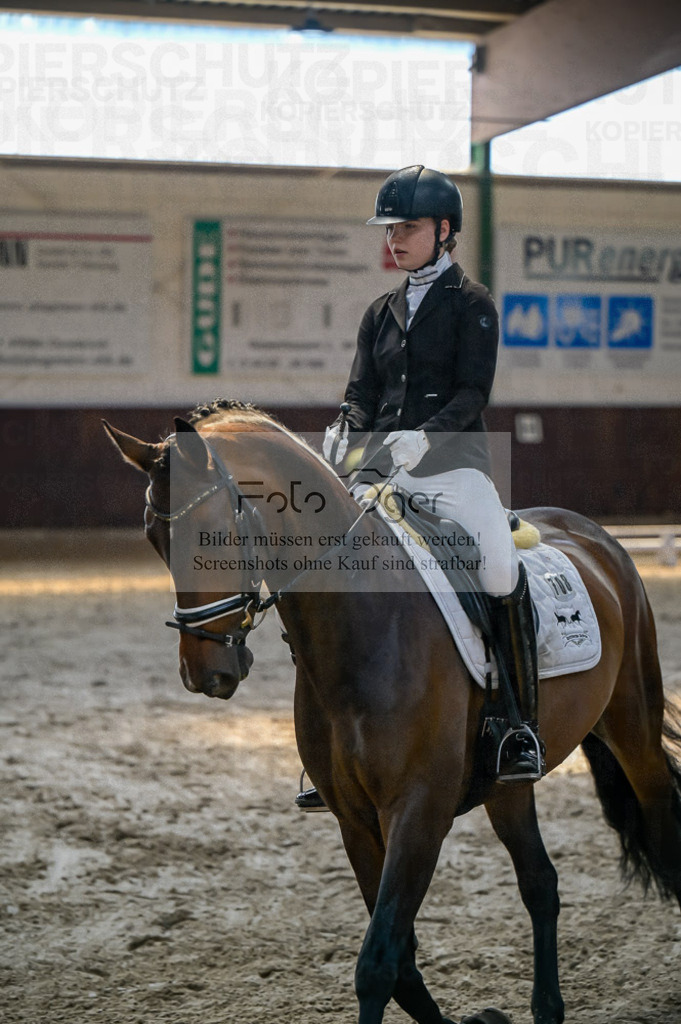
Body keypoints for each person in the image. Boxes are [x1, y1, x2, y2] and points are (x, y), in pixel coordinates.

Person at [296, 165, 544, 810]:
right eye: (389, 229)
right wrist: (345, 430)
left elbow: (473, 393)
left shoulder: (472, 304)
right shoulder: (380, 312)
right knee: (329, 570)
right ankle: (333, 741)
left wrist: (425, 437)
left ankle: (515, 724)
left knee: (495, 567)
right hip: (379, 472)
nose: (395, 240)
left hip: (454, 469)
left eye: (407, 228)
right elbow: (361, 393)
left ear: (444, 230)